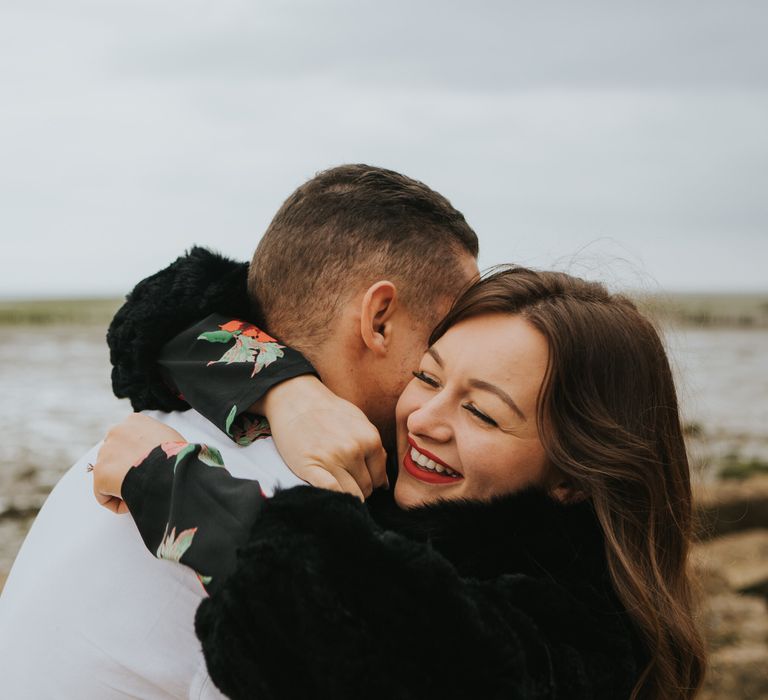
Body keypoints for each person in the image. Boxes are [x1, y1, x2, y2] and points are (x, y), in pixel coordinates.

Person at [94, 267, 707, 700]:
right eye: (428, 375)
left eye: (483, 413)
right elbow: (162, 315)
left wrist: (183, 493)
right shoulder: (399, 468)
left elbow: (396, 659)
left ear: (574, 475)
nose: (424, 420)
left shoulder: (586, 635)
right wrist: (285, 390)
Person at [0, 164, 479, 699]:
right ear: (379, 319)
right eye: (444, 339)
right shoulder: (304, 511)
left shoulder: (166, 419)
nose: (461, 362)